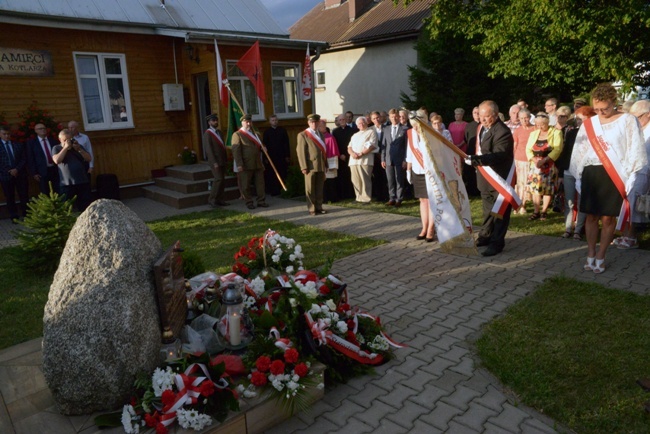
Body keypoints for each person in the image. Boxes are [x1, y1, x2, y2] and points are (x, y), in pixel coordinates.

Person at [569, 83, 646, 274]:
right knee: (591, 216)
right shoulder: (590, 124)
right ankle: (590, 252)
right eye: (597, 109)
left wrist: (631, 175)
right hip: (592, 173)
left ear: (614, 103)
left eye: (605, 108)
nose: (601, 112)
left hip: (614, 173)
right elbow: (580, 149)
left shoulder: (628, 120)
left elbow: (634, 147)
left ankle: (602, 255)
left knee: (608, 218)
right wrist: (577, 175)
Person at [467, 100, 515, 256]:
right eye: (480, 116)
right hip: (485, 178)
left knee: (499, 212)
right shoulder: (481, 128)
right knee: (487, 210)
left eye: (486, 116)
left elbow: (499, 155)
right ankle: (485, 236)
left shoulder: (502, 131)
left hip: (499, 178)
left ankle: (497, 242)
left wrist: (477, 160)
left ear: (495, 115)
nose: (482, 119)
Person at [614, 100, 650, 249]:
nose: (635, 120)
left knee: (634, 204)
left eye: (638, 116)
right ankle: (625, 235)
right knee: (627, 203)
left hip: (644, 172)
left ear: (648, 115)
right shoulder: (639, 129)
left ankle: (631, 236)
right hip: (631, 171)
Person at [556, 106, 594, 240]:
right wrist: (561, 174)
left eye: (581, 118)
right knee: (569, 201)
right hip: (569, 171)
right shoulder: (572, 133)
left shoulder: (595, 133)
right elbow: (565, 153)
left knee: (582, 202)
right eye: (576, 118)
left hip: (585, 172)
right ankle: (568, 229)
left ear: (590, 118)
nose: (577, 121)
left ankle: (578, 230)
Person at [525, 113, 563, 221]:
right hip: (535, 166)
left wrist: (545, 160)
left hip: (549, 165)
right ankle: (536, 211)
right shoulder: (533, 133)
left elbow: (558, 149)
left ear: (547, 123)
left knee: (547, 189)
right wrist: (533, 159)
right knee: (535, 189)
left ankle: (544, 211)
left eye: (542, 124)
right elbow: (527, 149)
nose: (539, 126)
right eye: (537, 124)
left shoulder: (556, 132)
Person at [406, 109, 435, 242]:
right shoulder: (411, 133)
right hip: (417, 171)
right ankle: (424, 227)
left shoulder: (430, 132)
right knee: (423, 200)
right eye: (413, 124)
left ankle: (431, 229)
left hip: (430, 171)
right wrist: (408, 170)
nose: (415, 127)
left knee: (431, 201)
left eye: (417, 124)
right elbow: (410, 154)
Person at [231, 114, 268, 210]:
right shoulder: (237, 134)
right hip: (246, 164)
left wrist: (263, 148)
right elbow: (236, 151)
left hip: (258, 162)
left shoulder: (256, 134)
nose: (248, 123)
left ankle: (261, 201)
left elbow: (260, 147)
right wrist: (239, 164)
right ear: (242, 123)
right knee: (246, 184)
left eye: (249, 122)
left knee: (260, 183)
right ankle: (248, 202)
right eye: (246, 122)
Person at [52, 129, 92, 212]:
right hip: (67, 184)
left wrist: (79, 149)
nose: (68, 142)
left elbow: (89, 158)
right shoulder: (57, 148)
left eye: (69, 139)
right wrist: (65, 147)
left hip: (82, 181)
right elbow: (57, 160)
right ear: (60, 140)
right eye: (65, 140)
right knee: (66, 208)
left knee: (85, 206)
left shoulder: (78, 147)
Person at [296, 114, 328, 215]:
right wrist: (303, 166)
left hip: (320, 164)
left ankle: (319, 206)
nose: (314, 124)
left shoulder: (321, 134)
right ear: (308, 123)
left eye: (316, 122)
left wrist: (326, 164)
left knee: (319, 187)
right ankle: (311, 208)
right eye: (312, 122)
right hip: (310, 165)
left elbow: (324, 151)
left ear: (319, 123)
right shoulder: (303, 134)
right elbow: (300, 152)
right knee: (310, 188)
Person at [0, 126, 29, 222]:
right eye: (4, 134)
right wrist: (9, 170)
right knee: (9, 196)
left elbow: (24, 158)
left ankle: (27, 215)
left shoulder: (17, 145)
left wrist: (16, 169)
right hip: (5, 175)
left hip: (20, 174)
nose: (7, 136)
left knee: (24, 195)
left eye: (8, 134)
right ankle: (14, 216)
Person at [348, 116, 377, 204]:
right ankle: (358, 197)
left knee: (365, 180)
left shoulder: (371, 132)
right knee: (355, 180)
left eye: (363, 122)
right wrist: (352, 153)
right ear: (357, 125)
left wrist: (361, 154)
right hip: (353, 161)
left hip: (365, 160)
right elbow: (349, 147)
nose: (361, 124)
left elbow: (372, 146)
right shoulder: (354, 135)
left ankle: (366, 198)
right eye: (359, 123)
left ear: (366, 123)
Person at [381, 108, 407, 207]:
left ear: (399, 117)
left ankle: (399, 199)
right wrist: (383, 159)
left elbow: (406, 146)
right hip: (388, 159)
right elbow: (384, 145)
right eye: (392, 117)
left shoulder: (404, 129)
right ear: (389, 117)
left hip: (400, 159)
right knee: (390, 179)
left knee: (399, 179)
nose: (394, 118)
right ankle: (391, 198)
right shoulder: (386, 129)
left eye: (396, 116)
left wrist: (405, 159)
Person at [202, 113, 229, 207]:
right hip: (215, 161)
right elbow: (209, 150)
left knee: (222, 180)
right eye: (213, 120)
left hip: (222, 159)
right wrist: (214, 162)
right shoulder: (208, 134)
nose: (216, 122)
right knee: (218, 179)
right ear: (209, 122)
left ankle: (220, 199)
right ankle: (212, 199)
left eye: (216, 120)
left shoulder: (219, 132)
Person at [26, 123, 59, 195]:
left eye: (44, 128)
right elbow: (30, 159)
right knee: (45, 191)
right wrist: (34, 173)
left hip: (54, 169)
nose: (43, 130)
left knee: (57, 190)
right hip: (42, 171)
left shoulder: (53, 141)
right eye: (40, 129)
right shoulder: (32, 143)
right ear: (35, 131)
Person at [512, 108, 534, 214]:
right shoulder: (517, 130)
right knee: (520, 183)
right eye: (521, 118)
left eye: (526, 118)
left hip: (531, 159)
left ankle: (523, 204)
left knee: (528, 183)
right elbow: (515, 145)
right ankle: (518, 205)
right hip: (519, 159)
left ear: (529, 118)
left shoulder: (535, 129)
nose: (524, 120)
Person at [262, 114, 290, 196]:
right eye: (273, 120)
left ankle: (282, 189)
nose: (274, 122)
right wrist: (265, 157)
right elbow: (265, 146)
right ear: (270, 122)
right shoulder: (267, 132)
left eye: (276, 120)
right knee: (272, 174)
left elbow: (286, 144)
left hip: (281, 156)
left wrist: (287, 156)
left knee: (282, 172)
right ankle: (273, 190)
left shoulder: (282, 130)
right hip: (271, 157)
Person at [332, 114, 355, 199]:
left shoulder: (352, 130)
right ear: (338, 121)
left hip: (350, 156)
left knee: (350, 175)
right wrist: (340, 154)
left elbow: (353, 144)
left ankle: (350, 194)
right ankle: (342, 195)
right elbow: (335, 145)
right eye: (340, 120)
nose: (342, 121)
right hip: (340, 156)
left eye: (343, 119)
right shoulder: (335, 131)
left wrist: (346, 154)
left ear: (346, 120)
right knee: (341, 176)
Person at [319, 119, 340, 203]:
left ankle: (333, 198)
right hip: (320, 162)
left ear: (324, 127)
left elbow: (334, 152)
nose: (319, 128)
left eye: (321, 126)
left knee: (331, 181)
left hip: (329, 161)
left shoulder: (330, 137)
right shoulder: (317, 137)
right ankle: (324, 198)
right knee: (322, 182)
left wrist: (332, 165)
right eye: (318, 126)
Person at [370, 111, 389, 202]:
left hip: (385, 155)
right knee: (376, 177)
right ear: (371, 120)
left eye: (377, 117)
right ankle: (378, 196)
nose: (376, 120)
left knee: (386, 177)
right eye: (374, 118)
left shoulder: (387, 128)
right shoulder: (369, 130)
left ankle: (386, 195)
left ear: (380, 117)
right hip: (374, 157)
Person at [463, 106, 481, 196]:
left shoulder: (484, 125)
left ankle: (480, 190)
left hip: (481, 152)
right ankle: (471, 190)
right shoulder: (469, 126)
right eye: (475, 113)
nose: (476, 114)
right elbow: (466, 138)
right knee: (470, 172)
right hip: (471, 151)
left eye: (478, 112)